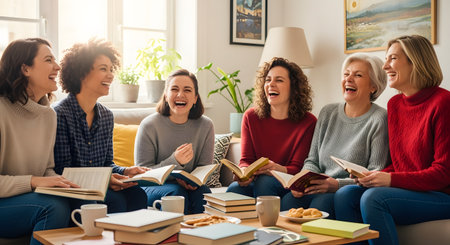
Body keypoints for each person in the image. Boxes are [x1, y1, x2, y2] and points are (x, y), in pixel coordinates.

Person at [334, 35, 450, 245]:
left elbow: (443, 173)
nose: (385, 66)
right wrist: (373, 176)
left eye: (393, 59)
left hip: (441, 195)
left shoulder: (443, 103)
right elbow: (400, 165)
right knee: (345, 195)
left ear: (415, 61)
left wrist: (389, 180)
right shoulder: (395, 104)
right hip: (411, 190)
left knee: (373, 199)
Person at [280, 53, 389, 218]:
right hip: (317, 186)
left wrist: (336, 184)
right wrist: (300, 181)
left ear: (373, 86)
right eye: (346, 74)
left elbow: (376, 172)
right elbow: (313, 160)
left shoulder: (380, 118)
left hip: (346, 190)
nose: (349, 79)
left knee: (321, 205)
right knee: (288, 201)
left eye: (358, 75)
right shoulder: (327, 112)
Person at [53, 38, 148, 213]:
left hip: (98, 186)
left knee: (137, 194)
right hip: (72, 189)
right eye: (103, 69)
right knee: (113, 202)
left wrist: (126, 171)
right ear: (81, 73)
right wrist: (104, 179)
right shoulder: (60, 114)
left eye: (111, 69)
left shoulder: (106, 116)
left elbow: (107, 164)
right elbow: (63, 170)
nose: (111, 75)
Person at [0, 38, 78, 244]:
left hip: (24, 197)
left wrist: (64, 184)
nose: (58, 66)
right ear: (25, 69)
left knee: (88, 201)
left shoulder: (48, 115)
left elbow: (47, 169)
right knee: (53, 207)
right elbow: (38, 178)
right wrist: (33, 181)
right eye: (48, 60)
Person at [226, 57, 317, 199]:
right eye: (268, 80)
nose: (271, 85)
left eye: (279, 80)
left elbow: (298, 169)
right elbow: (246, 159)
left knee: (265, 182)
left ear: (294, 88)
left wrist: (275, 168)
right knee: (234, 189)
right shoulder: (250, 117)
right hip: (257, 181)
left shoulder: (308, 122)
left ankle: (268, 222)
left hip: (287, 183)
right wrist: (243, 172)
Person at [135, 69, 215, 214]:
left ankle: (202, 235)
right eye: (174, 89)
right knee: (177, 193)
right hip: (152, 187)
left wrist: (195, 182)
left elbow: (204, 167)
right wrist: (175, 161)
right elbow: (142, 176)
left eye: (187, 90)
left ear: (195, 98)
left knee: (203, 193)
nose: (180, 95)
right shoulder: (149, 125)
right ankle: (175, 236)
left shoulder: (206, 125)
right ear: (166, 95)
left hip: (188, 187)